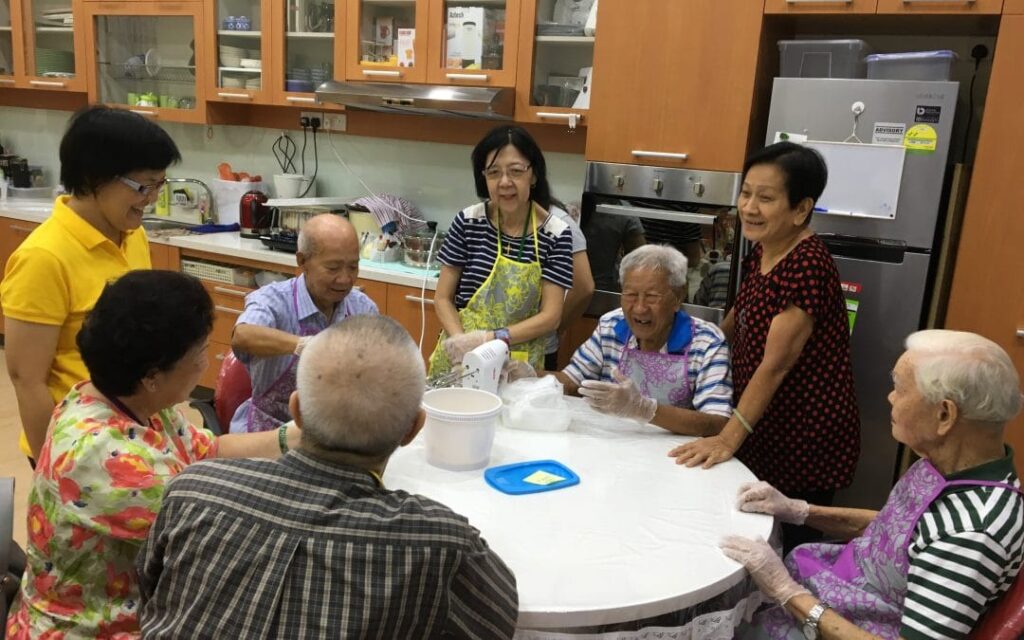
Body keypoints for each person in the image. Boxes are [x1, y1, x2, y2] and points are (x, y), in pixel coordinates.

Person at [137, 315, 519, 638]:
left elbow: (149, 590)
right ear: (413, 429)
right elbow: (498, 621)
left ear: (296, 413)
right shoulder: (438, 542)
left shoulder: (192, 490)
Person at [4, 271, 300, 639]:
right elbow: (226, 537)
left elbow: (212, 449)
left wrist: (298, 436)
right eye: (200, 354)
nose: (207, 364)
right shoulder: (104, 458)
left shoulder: (128, 400)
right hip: (93, 629)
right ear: (153, 375)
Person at [721, 330, 1024, 640]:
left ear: (944, 414)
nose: (890, 397)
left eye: (900, 389)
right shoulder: (946, 466)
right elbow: (895, 532)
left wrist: (786, 591)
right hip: (837, 591)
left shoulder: (971, 533)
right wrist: (799, 510)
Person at [670, 142, 860, 551]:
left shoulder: (808, 263)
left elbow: (776, 365)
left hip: (802, 438)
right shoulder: (765, 249)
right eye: (747, 193)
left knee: (785, 547)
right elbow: (741, 313)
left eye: (766, 197)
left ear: (801, 208)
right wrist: (698, 358)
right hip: (760, 424)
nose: (750, 207)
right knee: (745, 532)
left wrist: (725, 439)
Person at [2, 105, 180, 464]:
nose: (152, 198)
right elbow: (27, 379)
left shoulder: (133, 236)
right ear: (94, 177)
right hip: (78, 447)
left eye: (159, 185)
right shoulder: (43, 257)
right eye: (143, 186)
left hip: (133, 435)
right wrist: (52, 466)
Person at [511, 245, 732, 436]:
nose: (640, 308)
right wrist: (527, 374)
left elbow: (717, 422)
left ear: (678, 297)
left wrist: (645, 409)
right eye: (630, 295)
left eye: (652, 297)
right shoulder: (611, 325)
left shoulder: (707, 343)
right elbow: (572, 381)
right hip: (614, 446)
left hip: (676, 454)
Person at [429, 125, 575, 377]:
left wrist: (490, 339)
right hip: (461, 356)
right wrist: (462, 343)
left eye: (516, 171)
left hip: (515, 361)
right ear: (483, 178)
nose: (505, 182)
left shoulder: (556, 234)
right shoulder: (468, 221)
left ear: (534, 175)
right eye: (494, 172)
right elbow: (443, 297)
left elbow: (551, 316)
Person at [230, 213, 378, 433]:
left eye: (353, 267)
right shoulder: (274, 300)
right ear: (302, 261)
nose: (345, 279)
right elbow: (242, 336)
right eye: (333, 268)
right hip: (270, 429)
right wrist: (303, 345)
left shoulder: (362, 309)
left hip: (336, 432)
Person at [544, 203, 594, 371]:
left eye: (516, 174)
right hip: (485, 344)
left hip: (536, 349)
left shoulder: (556, 222)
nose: (505, 182)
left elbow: (584, 286)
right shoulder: (476, 217)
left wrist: (558, 324)